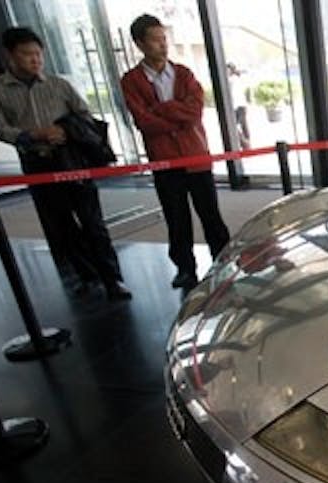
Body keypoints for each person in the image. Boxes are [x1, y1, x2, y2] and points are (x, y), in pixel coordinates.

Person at [0, 27, 131, 300]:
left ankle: (112, 278)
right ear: (10, 56)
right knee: (61, 225)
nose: (35, 59)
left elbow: (84, 114)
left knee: (92, 222)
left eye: (38, 54)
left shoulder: (58, 85)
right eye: (27, 54)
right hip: (36, 162)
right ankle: (86, 276)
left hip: (71, 160)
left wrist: (65, 130)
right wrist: (31, 135)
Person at [120, 14, 230, 289]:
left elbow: (194, 112)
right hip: (164, 160)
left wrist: (162, 108)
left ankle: (223, 263)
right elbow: (143, 121)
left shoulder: (183, 74)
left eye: (164, 38)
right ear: (139, 43)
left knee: (211, 215)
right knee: (176, 218)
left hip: (196, 156)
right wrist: (175, 115)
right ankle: (185, 269)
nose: (163, 44)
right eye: (155, 40)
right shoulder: (132, 80)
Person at [227, 63, 251, 150]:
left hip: (236, 106)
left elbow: (232, 95)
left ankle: (245, 143)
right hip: (242, 105)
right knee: (243, 125)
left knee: (233, 126)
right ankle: (247, 143)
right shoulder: (238, 78)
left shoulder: (230, 80)